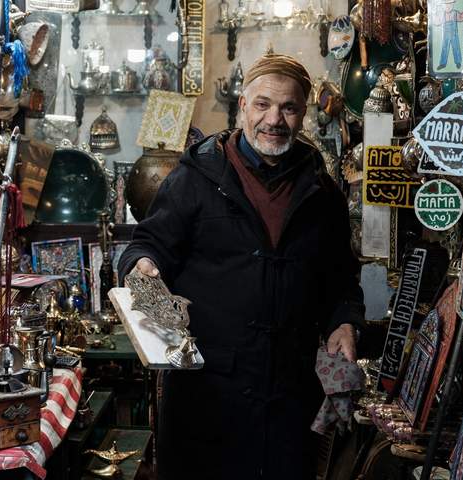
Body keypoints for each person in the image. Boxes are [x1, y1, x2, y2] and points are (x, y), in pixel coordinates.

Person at [118, 53, 364, 480]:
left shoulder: (323, 192)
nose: (274, 119)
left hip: (289, 400)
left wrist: (344, 321)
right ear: (243, 106)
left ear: (303, 114)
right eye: (263, 104)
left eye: (288, 108)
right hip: (206, 396)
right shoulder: (195, 178)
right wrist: (143, 264)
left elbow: (341, 278)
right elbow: (148, 243)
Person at [431, 0, 463, 70]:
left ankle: (458, 62)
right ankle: (443, 63)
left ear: (453, 5)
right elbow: (437, 21)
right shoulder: (442, 14)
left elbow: (461, 17)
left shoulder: (455, 13)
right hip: (445, 35)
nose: (448, 6)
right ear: (443, 6)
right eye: (446, 5)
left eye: (450, 4)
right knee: (444, 48)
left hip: (454, 35)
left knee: (456, 47)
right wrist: (434, 12)